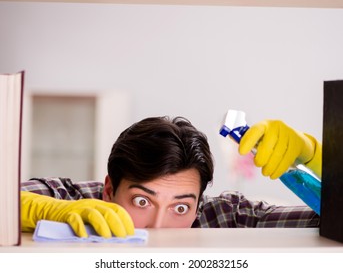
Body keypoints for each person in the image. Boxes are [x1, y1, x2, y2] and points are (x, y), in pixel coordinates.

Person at [21, 116, 321, 238]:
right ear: (109, 190)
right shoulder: (73, 201)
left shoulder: (228, 218)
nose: (158, 228)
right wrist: (45, 210)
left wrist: (314, 156)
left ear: (199, 203)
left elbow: (332, 223)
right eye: (141, 201)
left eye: (181, 208)